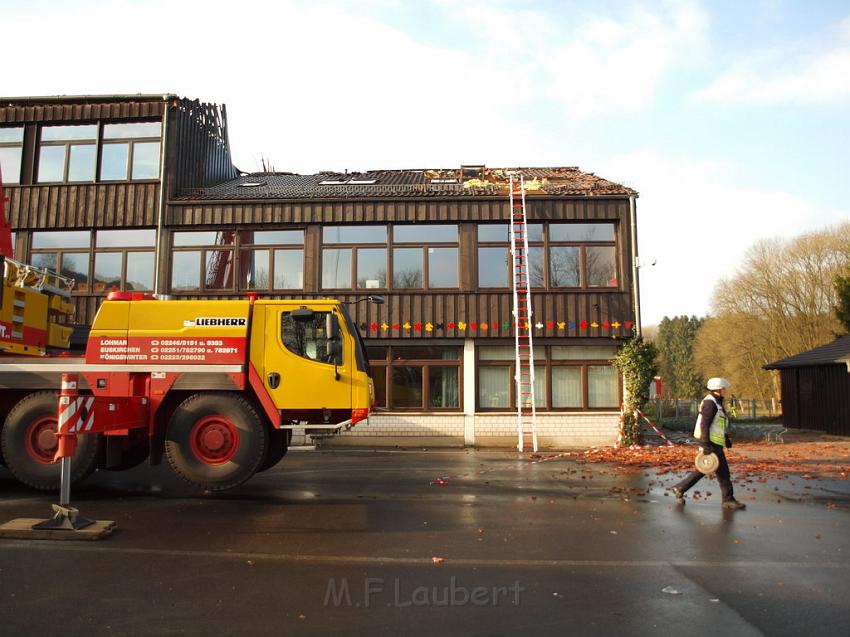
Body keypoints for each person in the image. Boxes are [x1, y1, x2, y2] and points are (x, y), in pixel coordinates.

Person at [672, 377, 746, 510]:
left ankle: (680, 488)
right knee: (721, 472)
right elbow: (704, 425)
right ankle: (728, 500)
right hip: (710, 443)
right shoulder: (710, 403)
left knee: (706, 470)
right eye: (724, 388)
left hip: (715, 442)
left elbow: (718, 424)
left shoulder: (716, 402)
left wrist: (726, 439)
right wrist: (705, 444)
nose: (725, 391)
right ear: (718, 389)